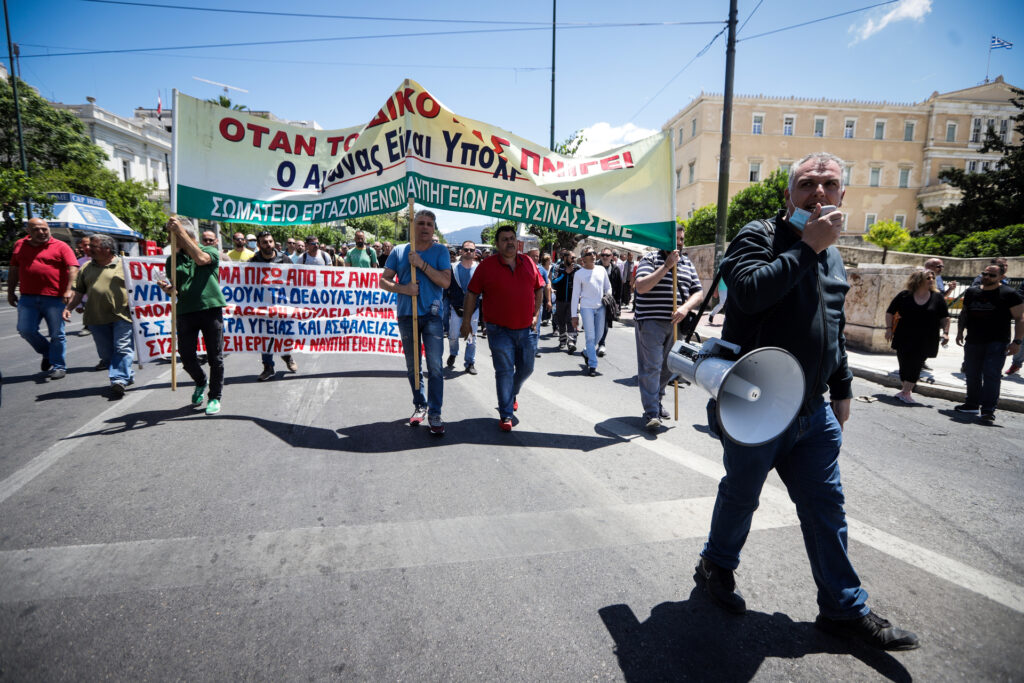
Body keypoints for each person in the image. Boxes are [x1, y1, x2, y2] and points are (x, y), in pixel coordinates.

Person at [696, 152, 919, 651]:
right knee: (742, 495)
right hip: (755, 401)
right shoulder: (758, 234)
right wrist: (806, 249)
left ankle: (843, 607)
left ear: (843, 196)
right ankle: (716, 566)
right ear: (788, 195)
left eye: (829, 184)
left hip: (813, 411)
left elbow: (832, 326)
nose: (818, 193)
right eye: (807, 184)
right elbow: (748, 293)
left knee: (825, 506)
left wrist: (841, 386)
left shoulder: (835, 254)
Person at [461, 224, 544, 431]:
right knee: (504, 371)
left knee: (527, 368)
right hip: (499, 330)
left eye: (512, 238)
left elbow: (539, 288)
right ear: (497, 244)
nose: (509, 242)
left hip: (526, 329)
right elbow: (472, 294)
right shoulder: (486, 266)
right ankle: (506, 413)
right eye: (505, 239)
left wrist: (535, 315)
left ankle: (511, 394)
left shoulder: (529, 263)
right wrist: (466, 322)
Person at [380, 209, 452, 434]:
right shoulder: (400, 251)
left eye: (429, 224)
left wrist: (421, 265)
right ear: (413, 226)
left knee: (435, 367)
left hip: (432, 316)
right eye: (420, 223)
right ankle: (420, 404)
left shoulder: (441, 251)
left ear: (434, 228)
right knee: (413, 366)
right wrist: (404, 289)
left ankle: (435, 412)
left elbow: (446, 282)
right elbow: (384, 281)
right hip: (406, 314)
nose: (425, 228)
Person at [632, 227, 703, 430]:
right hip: (651, 322)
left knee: (668, 367)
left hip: (675, 324)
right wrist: (666, 267)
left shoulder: (687, 263)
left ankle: (657, 400)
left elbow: (698, 293)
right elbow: (641, 286)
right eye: (675, 238)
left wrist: (685, 307)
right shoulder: (650, 259)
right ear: (666, 240)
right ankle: (651, 412)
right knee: (651, 367)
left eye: (681, 239)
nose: (679, 242)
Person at [157, 217, 227, 415]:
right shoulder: (172, 260)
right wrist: (169, 289)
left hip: (210, 309)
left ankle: (214, 396)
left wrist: (180, 231)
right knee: (187, 357)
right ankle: (201, 381)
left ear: (186, 236)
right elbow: (176, 290)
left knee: (215, 357)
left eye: (175, 237)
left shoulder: (209, 251)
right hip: (186, 312)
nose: (172, 242)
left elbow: (201, 260)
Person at [63, 234, 134, 396]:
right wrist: (69, 308)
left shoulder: (125, 265)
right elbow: (79, 291)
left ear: (107, 249)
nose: (87, 249)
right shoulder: (86, 267)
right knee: (106, 354)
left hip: (122, 316)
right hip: (96, 318)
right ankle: (126, 374)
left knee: (123, 348)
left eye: (93, 247)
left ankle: (119, 379)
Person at [7, 217, 79, 379]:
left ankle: (59, 366)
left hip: (55, 298)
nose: (41, 232)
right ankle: (47, 352)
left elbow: (73, 268)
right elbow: (13, 269)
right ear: (28, 232)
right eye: (36, 229)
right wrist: (11, 291)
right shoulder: (20, 245)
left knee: (57, 334)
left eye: (44, 229)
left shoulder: (61, 246)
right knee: (25, 330)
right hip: (28, 298)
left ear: (49, 229)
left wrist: (69, 290)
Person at [954, 263, 1024, 422]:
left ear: (1001, 277)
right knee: (972, 373)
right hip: (973, 340)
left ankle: (987, 410)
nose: (987, 277)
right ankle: (971, 404)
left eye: (992, 275)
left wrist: (1017, 341)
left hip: (997, 342)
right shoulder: (972, 291)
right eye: (985, 274)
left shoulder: (1009, 294)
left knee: (991, 375)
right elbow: (965, 313)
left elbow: (1020, 318)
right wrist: (959, 332)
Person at [885, 268, 950, 404]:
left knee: (916, 363)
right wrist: (889, 329)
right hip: (904, 335)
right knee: (904, 364)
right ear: (918, 280)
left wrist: (946, 333)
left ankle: (906, 392)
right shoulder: (904, 295)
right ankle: (905, 390)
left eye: (933, 277)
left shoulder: (937, 297)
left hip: (926, 337)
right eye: (928, 277)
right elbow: (890, 312)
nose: (932, 280)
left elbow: (945, 317)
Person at [250, 231, 299, 380]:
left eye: (270, 241)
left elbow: (295, 279)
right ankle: (268, 367)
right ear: (259, 245)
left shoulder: (284, 259)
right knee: (265, 337)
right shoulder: (253, 261)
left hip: (281, 304)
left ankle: (287, 356)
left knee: (282, 334)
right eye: (264, 242)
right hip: (262, 306)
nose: (268, 245)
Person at [571, 247, 612, 376]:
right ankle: (593, 364)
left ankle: (586, 352)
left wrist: (608, 295)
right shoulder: (579, 274)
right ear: (583, 258)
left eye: (594, 252)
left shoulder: (601, 270)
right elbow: (575, 295)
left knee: (599, 335)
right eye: (589, 254)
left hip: (601, 307)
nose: (593, 255)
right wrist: (574, 315)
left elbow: (608, 287)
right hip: (586, 307)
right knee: (590, 336)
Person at [446, 240, 479, 375]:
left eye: (471, 250)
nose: (469, 252)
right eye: (466, 249)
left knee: (472, 336)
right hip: (456, 307)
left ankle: (470, 362)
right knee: (453, 335)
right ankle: (453, 353)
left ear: (475, 252)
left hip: (473, 309)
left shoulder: (479, 268)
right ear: (461, 251)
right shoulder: (452, 267)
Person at [550, 249, 579, 352]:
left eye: (575, 258)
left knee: (571, 321)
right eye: (572, 257)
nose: (574, 260)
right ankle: (562, 340)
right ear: (565, 258)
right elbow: (554, 281)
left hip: (573, 300)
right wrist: (565, 273)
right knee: (561, 321)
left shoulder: (577, 268)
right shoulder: (557, 267)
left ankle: (571, 342)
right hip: (560, 299)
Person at [528, 247, 552, 354]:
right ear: (528, 256)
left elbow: (547, 286)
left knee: (536, 326)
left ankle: (534, 348)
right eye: (533, 255)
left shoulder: (542, 270)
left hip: (538, 304)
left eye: (537, 256)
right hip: (525, 303)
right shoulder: (522, 268)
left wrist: (549, 301)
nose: (536, 258)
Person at [597, 248, 620, 356]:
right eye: (603, 255)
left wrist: (617, 303)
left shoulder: (615, 269)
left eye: (607, 255)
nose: (605, 257)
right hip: (595, 300)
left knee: (605, 324)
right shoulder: (595, 267)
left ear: (611, 257)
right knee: (595, 324)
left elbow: (619, 287)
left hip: (608, 301)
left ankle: (602, 344)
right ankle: (593, 343)